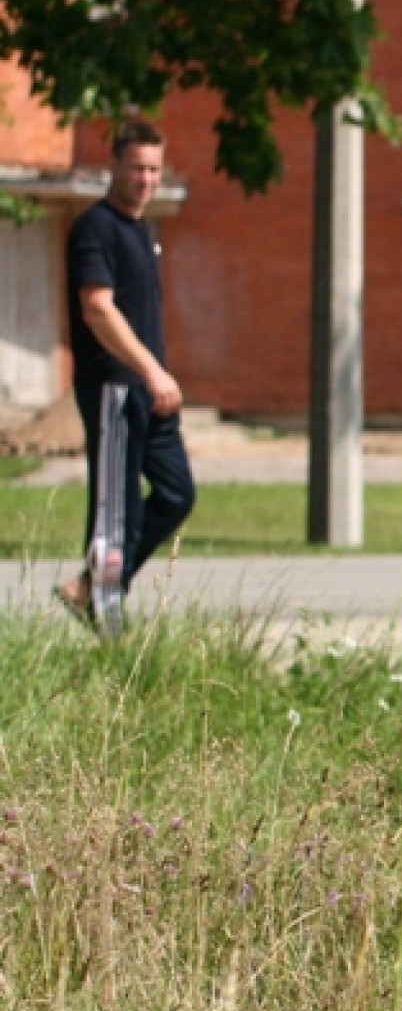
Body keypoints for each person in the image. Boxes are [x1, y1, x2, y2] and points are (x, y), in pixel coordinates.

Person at [55, 121, 196, 637]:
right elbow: (98, 309)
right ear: (113, 166)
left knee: (177, 494)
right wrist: (152, 371)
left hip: (150, 391)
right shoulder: (96, 227)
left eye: (154, 169)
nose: (145, 179)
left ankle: (89, 589)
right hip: (117, 387)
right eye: (136, 167)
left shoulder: (143, 230)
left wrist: (158, 379)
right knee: (117, 516)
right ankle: (109, 628)